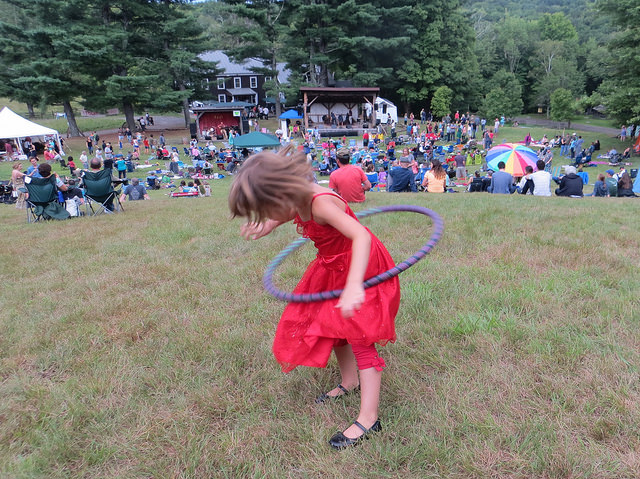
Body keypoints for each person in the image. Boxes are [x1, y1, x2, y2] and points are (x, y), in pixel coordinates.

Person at [228, 146, 400, 449]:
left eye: (267, 211)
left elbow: (361, 236)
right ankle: (349, 381)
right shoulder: (296, 198)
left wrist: (354, 285)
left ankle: (369, 418)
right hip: (332, 266)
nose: (268, 216)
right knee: (333, 325)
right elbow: (289, 212)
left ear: (284, 195)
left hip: (360, 267)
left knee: (360, 335)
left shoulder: (321, 204)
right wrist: (269, 225)